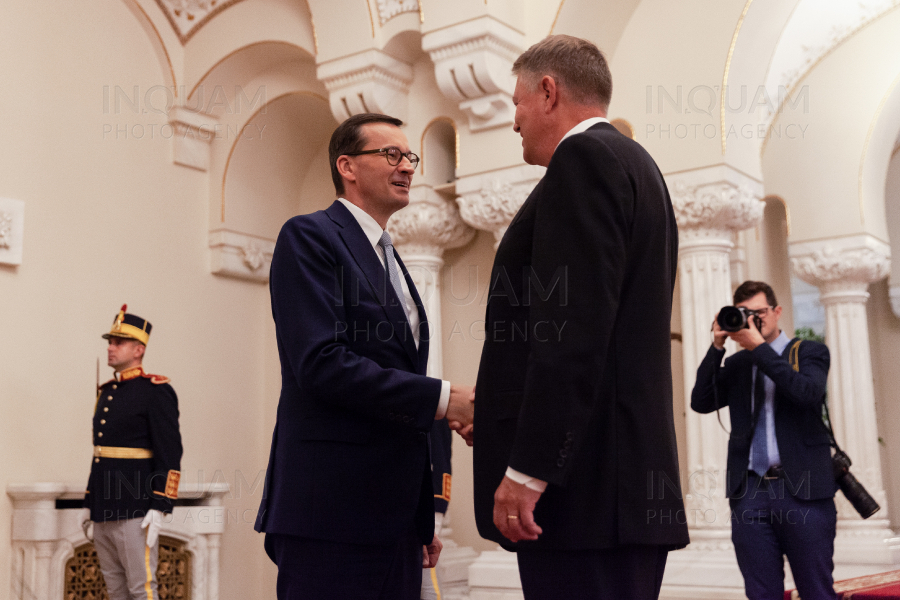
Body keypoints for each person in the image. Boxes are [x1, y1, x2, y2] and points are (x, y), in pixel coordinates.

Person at [470, 35, 689, 600]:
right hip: (622, 491)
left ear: (548, 92)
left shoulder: (582, 160)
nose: (514, 121)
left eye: (517, 102)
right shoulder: (639, 165)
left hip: (584, 499)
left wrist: (527, 471)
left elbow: (570, 336)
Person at [254, 113, 475, 600]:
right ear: (347, 166)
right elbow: (322, 363)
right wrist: (445, 399)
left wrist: (419, 515)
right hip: (329, 512)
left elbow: (396, 384)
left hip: (392, 521)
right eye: (391, 155)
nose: (407, 167)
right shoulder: (310, 236)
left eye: (410, 157)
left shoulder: (391, 257)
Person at [691, 280, 836, 600]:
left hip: (803, 489)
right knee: (761, 593)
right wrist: (717, 346)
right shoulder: (739, 363)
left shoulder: (809, 351)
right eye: (745, 314)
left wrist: (758, 347)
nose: (754, 320)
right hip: (750, 492)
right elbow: (701, 401)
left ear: (777, 312)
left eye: (759, 313)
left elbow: (807, 394)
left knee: (816, 591)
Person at [84, 305, 182, 600]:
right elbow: (100, 453)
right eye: (109, 342)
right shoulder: (107, 391)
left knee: (141, 590)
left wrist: (160, 505)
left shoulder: (155, 391)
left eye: (118, 343)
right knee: (114, 590)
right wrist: (91, 501)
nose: (110, 348)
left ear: (139, 349)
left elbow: (170, 454)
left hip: (135, 508)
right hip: (104, 508)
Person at [421, 418, 452, 600]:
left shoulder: (432, 404)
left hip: (428, 505)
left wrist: (437, 506)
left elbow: (439, 458)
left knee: (428, 581)